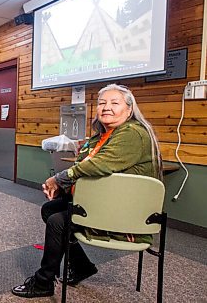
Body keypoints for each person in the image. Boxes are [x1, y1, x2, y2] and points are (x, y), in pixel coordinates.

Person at [12, 83, 163, 298]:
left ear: (129, 109)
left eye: (114, 103)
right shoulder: (102, 135)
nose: (106, 107)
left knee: (57, 221)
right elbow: (83, 167)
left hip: (126, 215)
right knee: (50, 209)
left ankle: (43, 282)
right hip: (106, 202)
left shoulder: (132, 133)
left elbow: (97, 166)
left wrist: (58, 179)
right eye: (102, 103)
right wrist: (63, 187)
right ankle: (81, 266)